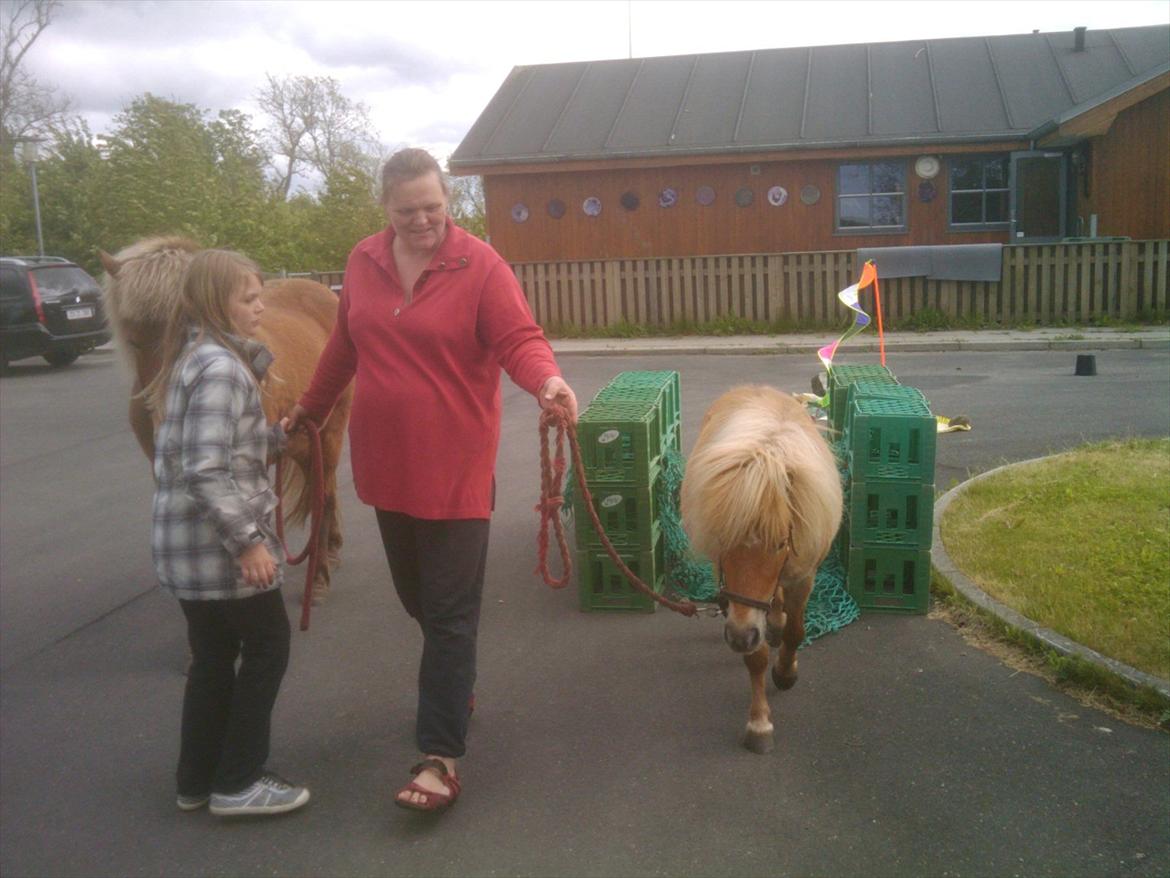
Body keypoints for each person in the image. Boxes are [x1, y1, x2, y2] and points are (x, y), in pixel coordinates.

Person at [283, 147, 578, 814]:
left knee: (448, 615)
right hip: (387, 468)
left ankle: (441, 755)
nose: (422, 222)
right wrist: (309, 410)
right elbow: (343, 348)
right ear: (385, 209)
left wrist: (549, 381)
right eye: (407, 210)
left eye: (433, 208)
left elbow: (519, 340)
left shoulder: (479, 265)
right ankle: (457, 683)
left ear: (450, 202)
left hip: (456, 470)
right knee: (420, 602)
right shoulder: (363, 262)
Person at [146, 248, 310, 818]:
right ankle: (239, 780)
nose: (261, 305)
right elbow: (205, 469)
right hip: (220, 548)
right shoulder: (221, 366)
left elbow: (214, 448)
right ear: (217, 303)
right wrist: (249, 542)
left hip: (189, 550)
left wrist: (273, 436)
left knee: (213, 656)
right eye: (248, 298)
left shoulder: (195, 358)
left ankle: (196, 779)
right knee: (268, 646)